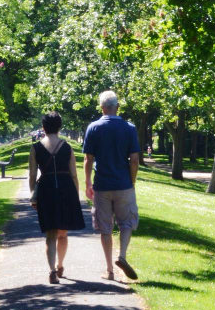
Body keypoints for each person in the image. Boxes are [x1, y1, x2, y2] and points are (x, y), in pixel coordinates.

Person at [83, 90, 140, 281]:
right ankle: (122, 255)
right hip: (124, 184)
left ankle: (109, 270)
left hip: (102, 185)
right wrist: (132, 181)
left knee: (105, 228)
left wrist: (88, 182)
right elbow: (134, 160)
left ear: (101, 108)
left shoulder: (93, 128)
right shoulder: (129, 128)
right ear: (118, 107)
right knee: (127, 223)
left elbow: (88, 159)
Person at [29, 111, 85, 284]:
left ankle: (52, 270)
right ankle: (60, 266)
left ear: (43, 127)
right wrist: (76, 196)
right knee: (63, 232)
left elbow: (32, 175)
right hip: (66, 188)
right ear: (59, 127)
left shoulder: (36, 148)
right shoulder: (67, 147)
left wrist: (33, 196)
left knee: (50, 234)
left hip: (46, 189)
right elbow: (74, 175)